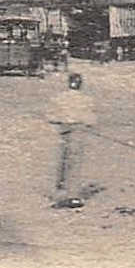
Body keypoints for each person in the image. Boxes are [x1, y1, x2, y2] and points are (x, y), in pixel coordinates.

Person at [46, 76, 98, 208]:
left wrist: (64, 118)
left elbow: (51, 117)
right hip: (78, 131)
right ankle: (73, 196)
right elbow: (91, 120)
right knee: (74, 162)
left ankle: (60, 192)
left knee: (62, 162)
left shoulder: (59, 98)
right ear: (81, 85)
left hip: (63, 130)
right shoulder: (87, 100)